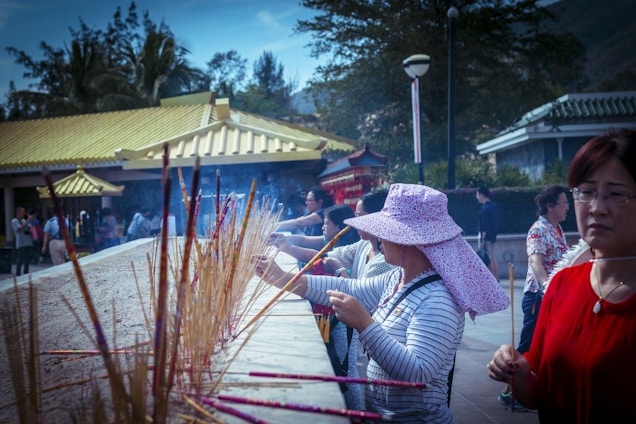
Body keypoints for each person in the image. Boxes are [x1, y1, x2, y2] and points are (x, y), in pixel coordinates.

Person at [256, 184, 509, 422]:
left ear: (406, 242)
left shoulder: (437, 299)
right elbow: (348, 287)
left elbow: (417, 373)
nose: (378, 239)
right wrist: (284, 278)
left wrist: (365, 324)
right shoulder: (397, 277)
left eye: (385, 233)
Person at [487, 128, 636, 422]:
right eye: (586, 192)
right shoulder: (563, 285)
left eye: (616, 194)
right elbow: (540, 391)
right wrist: (516, 372)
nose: (596, 208)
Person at [269, 203, 362, 409]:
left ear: (339, 228)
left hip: (342, 321)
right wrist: (287, 246)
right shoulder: (334, 244)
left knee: (348, 370)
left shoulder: (349, 250)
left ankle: (359, 411)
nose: (322, 227)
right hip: (332, 317)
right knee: (339, 365)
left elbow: (322, 261)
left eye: (327, 223)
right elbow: (313, 254)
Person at [498, 184, 570, 412]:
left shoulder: (558, 230)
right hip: (538, 296)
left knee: (545, 344)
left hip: (554, 296)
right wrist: (549, 289)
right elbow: (536, 263)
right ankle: (510, 393)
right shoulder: (538, 229)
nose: (568, 207)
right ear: (549, 206)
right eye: (563, 203)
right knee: (528, 344)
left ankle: (521, 390)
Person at [476, 187, 500, 278]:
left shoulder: (485, 209)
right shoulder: (493, 206)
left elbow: (484, 226)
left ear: (481, 195)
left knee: (489, 258)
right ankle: (496, 277)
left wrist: (483, 240)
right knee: (492, 257)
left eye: (477, 195)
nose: (477, 197)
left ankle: (494, 278)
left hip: (486, 237)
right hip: (493, 235)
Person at [11, 206, 33, 276]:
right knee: (20, 259)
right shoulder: (14, 221)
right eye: (23, 212)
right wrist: (27, 220)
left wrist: (31, 220)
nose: (24, 213)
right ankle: (18, 273)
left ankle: (26, 272)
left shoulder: (24, 220)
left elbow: (29, 228)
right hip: (21, 243)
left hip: (28, 242)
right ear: (18, 212)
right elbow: (19, 229)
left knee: (27, 259)